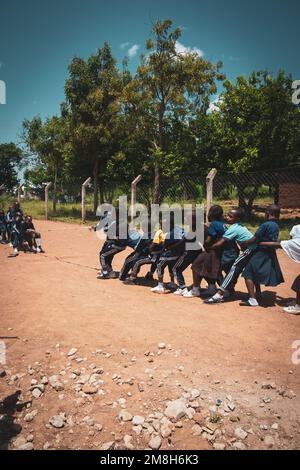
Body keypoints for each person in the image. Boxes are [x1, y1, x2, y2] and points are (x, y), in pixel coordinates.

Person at [204, 207, 257, 304]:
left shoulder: (234, 228)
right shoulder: (240, 226)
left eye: (230, 216)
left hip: (249, 250)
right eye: (227, 215)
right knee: (250, 271)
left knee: (234, 268)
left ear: (237, 219)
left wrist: (209, 248)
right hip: (253, 250)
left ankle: (219, 294)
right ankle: (256, 295)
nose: (227, 217)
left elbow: (220, 243)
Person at [240, 205, 284, 307]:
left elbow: (254, 239)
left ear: (268, 213)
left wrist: (244, 243)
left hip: (261, 252)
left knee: (248, 273)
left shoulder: (265, 225)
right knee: (254, 272)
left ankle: (252, 299)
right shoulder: (276, 225)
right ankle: (258, 292)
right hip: (269, 252)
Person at [183, 205, 227, 298]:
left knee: (196, 265)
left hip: (213, 251)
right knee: (206, 267)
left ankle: (195, 289)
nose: (185, 219)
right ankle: (212, 287)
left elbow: (207, 241)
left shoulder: (207, 227)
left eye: (187, 218)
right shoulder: (217, 224)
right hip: (216, 250)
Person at [151, 217, 185, 294]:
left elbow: (163, 246)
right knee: (172, 266)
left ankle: (160, 286)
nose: (162, 226)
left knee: (159, 265)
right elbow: (183, 239)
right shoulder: (180, 229)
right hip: (179, 254)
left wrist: (163, 248)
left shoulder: (168, 234)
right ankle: (172, 282)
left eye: (163, 224)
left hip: (169, 254)